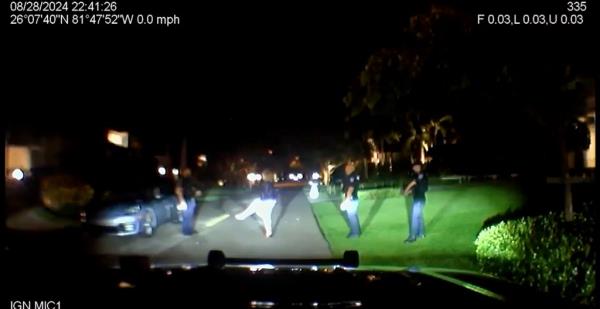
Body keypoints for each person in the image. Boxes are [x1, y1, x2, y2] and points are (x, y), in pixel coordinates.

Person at [235, 170, 277, 238]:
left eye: (263, 175)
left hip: (267, 200)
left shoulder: (266, 183)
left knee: (256, 205)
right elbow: (261, 189)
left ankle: (242, 216)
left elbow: (260, 190)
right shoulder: (269, 182)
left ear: (266, 176)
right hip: (271, 200)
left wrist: (253, 184)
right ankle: (269, 232)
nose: (262, 176)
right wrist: (255, 183)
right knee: (264, 215)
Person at [403, 162, 428, 243]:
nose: (415, 168)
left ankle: (412, 237)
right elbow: (417, 187)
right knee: (419, 217)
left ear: (419, 167)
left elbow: (414, 182)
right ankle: (421, 234)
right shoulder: (419, 175)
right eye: (414, 167)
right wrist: (410, 191)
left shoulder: (421, 175)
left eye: (416, 167)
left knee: (414, 218)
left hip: (419, 200)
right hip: (420, 199)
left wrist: (406, 190)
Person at [175, 167, 201, 235]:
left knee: (190, 216)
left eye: (189, 171)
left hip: (191, 199)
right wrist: (181, 200)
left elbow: (196, 187)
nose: (188, 172)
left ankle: (189, 229)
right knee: (187, 216)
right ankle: (186, 231)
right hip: (185, 200)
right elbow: (178, 190)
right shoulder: (181, 180)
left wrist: (197, 192)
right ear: (183, 172)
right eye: (187, 171)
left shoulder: (191, 179)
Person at [340, 161, 361, 238]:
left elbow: (351, 188)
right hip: (353, 198)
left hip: (351, 199)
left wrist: (346, 200)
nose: (346, 170)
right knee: (353, 216)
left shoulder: (352, 176)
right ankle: (356, 231)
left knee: (351, 216)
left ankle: (355, 233)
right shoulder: (354, 175)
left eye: (347, 168)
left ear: (351, 168)